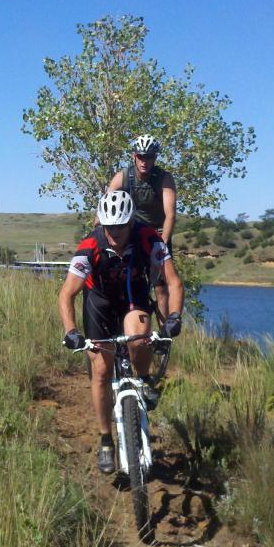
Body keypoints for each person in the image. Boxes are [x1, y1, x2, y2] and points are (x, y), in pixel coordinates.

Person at [57, 190, 184, 474]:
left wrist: (175, 316)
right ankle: (106, 441)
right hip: (99, 303)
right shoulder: (90, 247)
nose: (114, 233)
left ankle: (144, 379)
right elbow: (66, 295)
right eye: (108, 227)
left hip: (132, 295)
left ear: (131, 223)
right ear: (102, 224)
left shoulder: (149, 238)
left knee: (140, 337)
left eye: (120, 227)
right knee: (101, 372)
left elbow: (173, 282)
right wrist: (71, 331)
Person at [108, 134, 177, 324]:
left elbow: (170, 214)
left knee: (161, 286)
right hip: (133, 234)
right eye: (141, 156)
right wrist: (100, 231)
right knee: (125, 278)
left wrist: (162, 245)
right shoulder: (123, 176)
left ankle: (165, 332)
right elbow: (105, 205)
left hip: (158, 235)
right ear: (134, 156)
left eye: (149, 157)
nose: (144, 161)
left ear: (155, 158)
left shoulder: (164, 178)